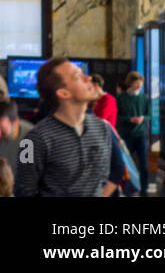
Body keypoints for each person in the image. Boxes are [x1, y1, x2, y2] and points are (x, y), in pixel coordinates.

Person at [13, 57, 121, 197]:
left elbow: (116, 170)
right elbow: (23, 190)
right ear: (63, 93)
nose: (88, 78)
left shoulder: (103, 129)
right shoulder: (31, 141)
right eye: (78, 76)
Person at [115, 71, 150, 196]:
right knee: (125, 165)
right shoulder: (120, 98)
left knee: (144, 165)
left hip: (140, 134)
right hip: (126, 135)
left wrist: (143, 118)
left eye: (140, 84)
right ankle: (126, 189)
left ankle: (144, 190)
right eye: (136, 84)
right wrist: (129, 119)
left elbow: (149, 115)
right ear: (130, 83)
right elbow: (117, 117)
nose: (139, 86)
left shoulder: (144, 97)